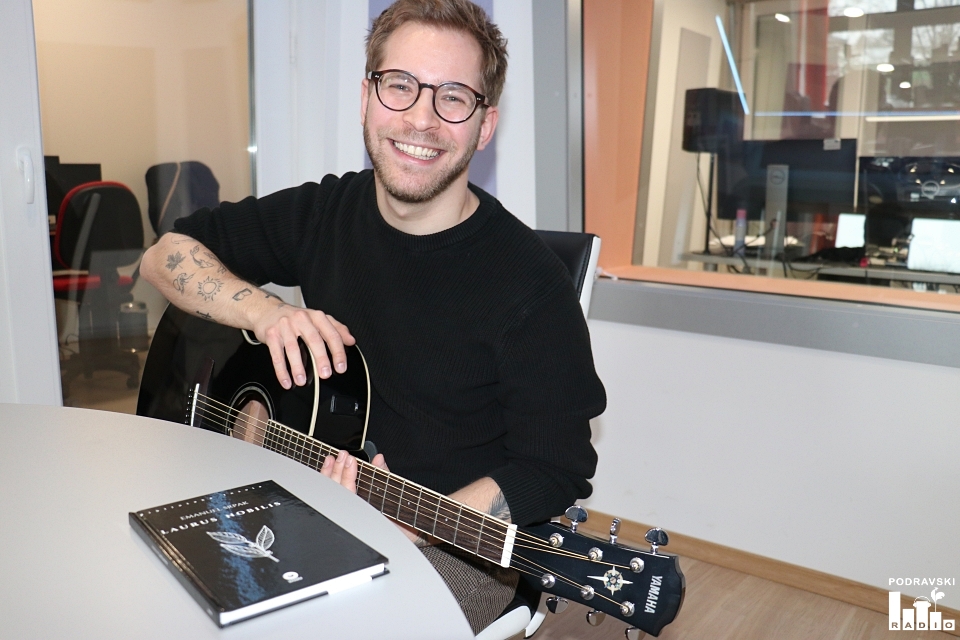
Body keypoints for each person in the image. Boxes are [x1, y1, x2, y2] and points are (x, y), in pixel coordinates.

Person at [140, 0, 605, 633]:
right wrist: (266, 311)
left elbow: (554, 467)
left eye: (453, 97)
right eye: (400, 85)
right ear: (366, 98)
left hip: (452, 546)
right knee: (155, 578)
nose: (422, 118)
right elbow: (165, 256)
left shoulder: (530, 286)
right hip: (291, 493)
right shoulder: (326, 212)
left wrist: (420, 523)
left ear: (484, 126)